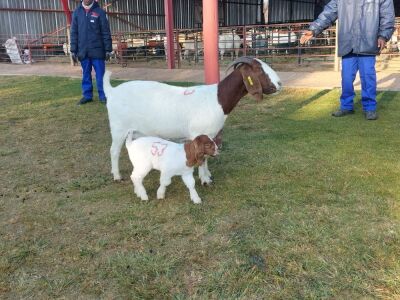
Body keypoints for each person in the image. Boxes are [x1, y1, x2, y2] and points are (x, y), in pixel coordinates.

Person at [300, 0, 395, 120]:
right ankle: (346, 106)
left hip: (368, 41)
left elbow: (387, 15)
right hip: (348, 42)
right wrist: (314, 29)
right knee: (346, 78)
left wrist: (383, 36)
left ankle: (370, 108)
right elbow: (329, 12)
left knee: (368, 77)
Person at [70, 0, 112, 105]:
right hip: (83, 50)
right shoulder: (77, 12)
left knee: (100, 75)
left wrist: (108, 49)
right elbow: (74, 32)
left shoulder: (100, 12)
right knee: (86, 74)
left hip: (97, 50)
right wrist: (73, 50)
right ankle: (87, 96)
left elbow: (106, 32)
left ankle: (103, 95)